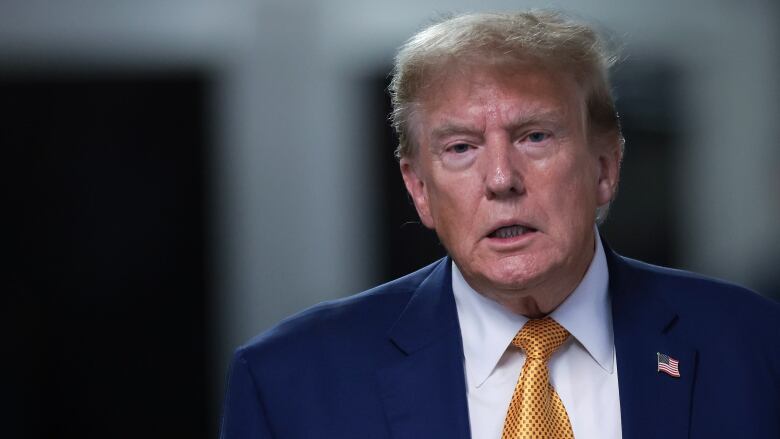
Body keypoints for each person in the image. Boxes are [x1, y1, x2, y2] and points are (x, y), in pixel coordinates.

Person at [220, 11, 780, 438]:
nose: (501, 178)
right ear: (420, 190)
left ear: (604, 168)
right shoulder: (289, 382)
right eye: (461, 147)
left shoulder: (756, 344)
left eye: (534, 137)